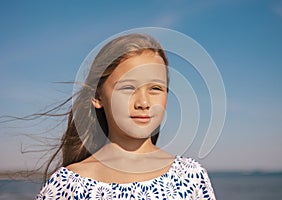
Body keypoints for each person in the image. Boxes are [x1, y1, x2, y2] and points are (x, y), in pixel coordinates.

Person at [36, 33, 216, 199]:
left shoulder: (190, 177)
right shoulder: (67, 185)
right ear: (98, 97)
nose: (143, 103)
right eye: (128, 88)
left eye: (155, 88)